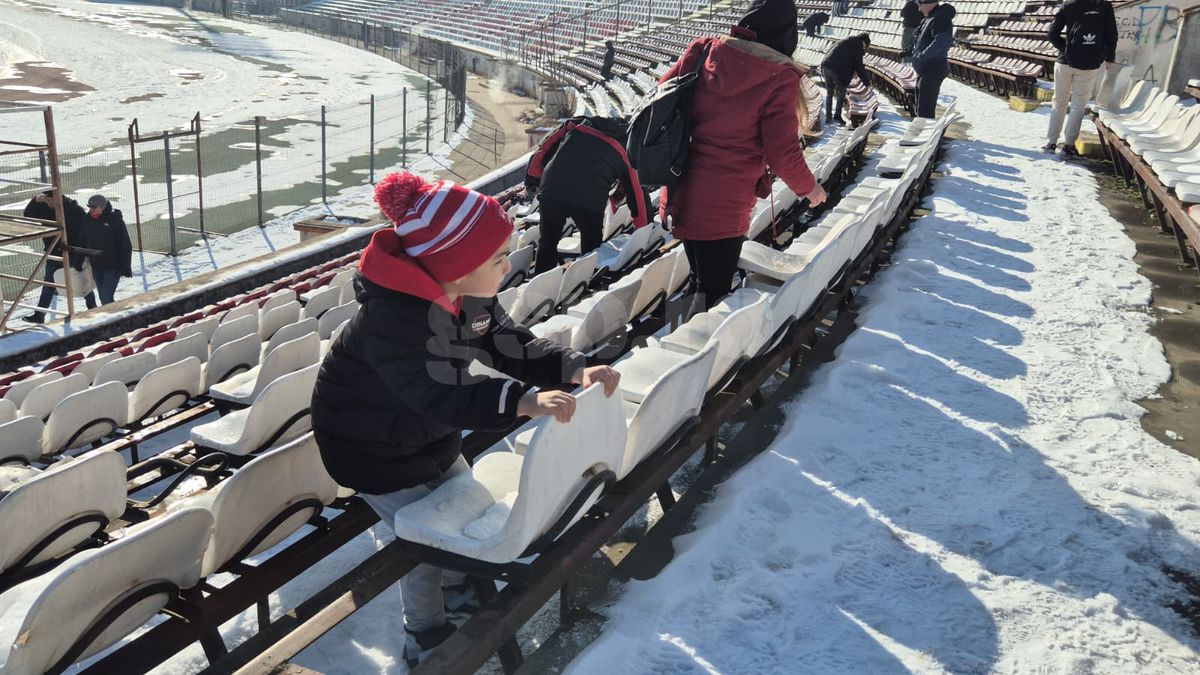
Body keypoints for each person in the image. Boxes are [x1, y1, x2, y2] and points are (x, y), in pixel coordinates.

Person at [310, 171, 620, 667]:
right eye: (497, 258)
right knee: (424, 538)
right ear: (453, 264)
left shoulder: (468, 296)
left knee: (463, 504)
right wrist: (519, 400)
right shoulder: (393, 318)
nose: (508, 263)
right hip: (367, 446)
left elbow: (510, 343)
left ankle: (460, 589)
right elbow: (436, 389)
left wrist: (572, 367)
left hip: (424, 430)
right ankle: (423, 631)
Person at [657, 0, 827, 316]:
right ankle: (694, 359)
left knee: (700, 283)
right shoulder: (779, 77)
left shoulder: (704, 49)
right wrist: (811, 189)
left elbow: (662, 95)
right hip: (725, 199)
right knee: (712, 297)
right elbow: (783, 153)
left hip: (681, 184)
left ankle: (678, 345)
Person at [524, 115, 647, 274]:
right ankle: (584, 283)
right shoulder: (626, 147)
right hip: (590, 198)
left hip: (553, 186)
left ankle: (538, 286)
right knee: (591, 247)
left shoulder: (579, 123)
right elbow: (637, 193)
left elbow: (544, 147)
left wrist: (532, 179)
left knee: (547, 242)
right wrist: (644, 230)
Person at [1044, 0, 1118, 155]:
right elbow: (1112, 34)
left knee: (1059, 102)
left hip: (1064, 63)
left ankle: (1051, 143)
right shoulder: (1104, 6)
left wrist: (1067, 50)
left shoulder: (1069, 4)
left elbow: (1052, 34)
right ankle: (1069, 145)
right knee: (1078, 105)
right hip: (1090, 63)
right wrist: (1108, 57)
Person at [22, 190, 95, 324]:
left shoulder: (74, 210)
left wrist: (83, 252)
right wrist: (35, 201)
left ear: (59, 198)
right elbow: (27, 215)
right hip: (54, 251)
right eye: (47, 200)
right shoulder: (43, 208)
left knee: (80, 278)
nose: (49, 203)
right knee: (49, 283)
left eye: (51, 200)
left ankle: (92, 306)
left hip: (72, 252)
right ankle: (40, 314)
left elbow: (86, 231)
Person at [78, 194, 133, 306]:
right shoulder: (87, 220)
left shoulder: (115, 221)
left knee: (106, 297)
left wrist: (126, 266)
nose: (91, 210)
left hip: (113, 266)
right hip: (96, 265)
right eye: (90, 207)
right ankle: (115, 316)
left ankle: (116, 319)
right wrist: (78, 260)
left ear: (102, 207)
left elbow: (126, 244)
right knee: (104, 298)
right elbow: (82, 241)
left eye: (94, 207)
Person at [907, 0, 955, 119]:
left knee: (925, 109)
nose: (919, 9)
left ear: (928, 3)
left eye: (920, 5)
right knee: (921, 106)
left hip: (933, 68)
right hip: (927, 68)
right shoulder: (931, 18)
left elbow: (941, 41)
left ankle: (924, 134)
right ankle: (921, 133)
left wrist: (922, 55)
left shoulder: (940, 17)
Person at [821, 33, 873, 125]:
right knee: (842, 92)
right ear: (864, 42)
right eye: (865, 46)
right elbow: (859, 66)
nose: (864, 48)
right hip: (835, 68)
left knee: (830, 92)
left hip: (826, 64)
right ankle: (837, 115)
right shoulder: (857, 46)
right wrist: (867, 83)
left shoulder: (846, 40)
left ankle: (828, 117)